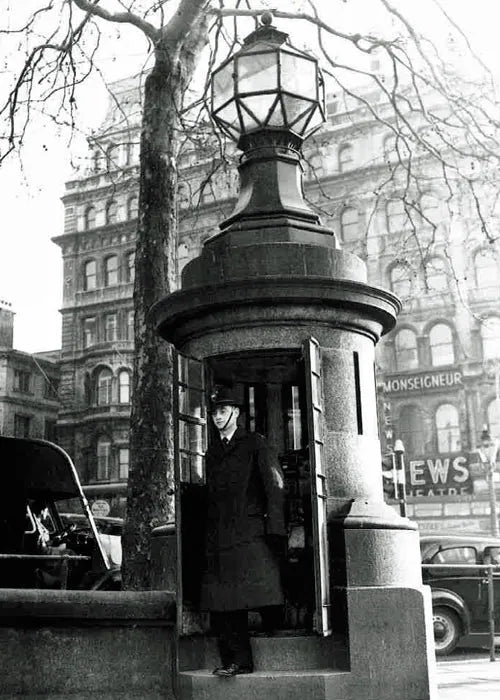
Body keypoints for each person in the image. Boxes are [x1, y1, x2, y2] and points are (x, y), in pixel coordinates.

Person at [200, 384, 286, 678]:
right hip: (220, 537)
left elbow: (274, 486)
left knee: (252, 593)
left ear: (235, 412)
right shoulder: (212, 452)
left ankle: (255, 647)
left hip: (249, 534)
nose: (217, 417)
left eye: (222, 411)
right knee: (224, 602)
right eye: (213, 413)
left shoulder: (254, 443)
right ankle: (233, 662)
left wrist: (274, 530)